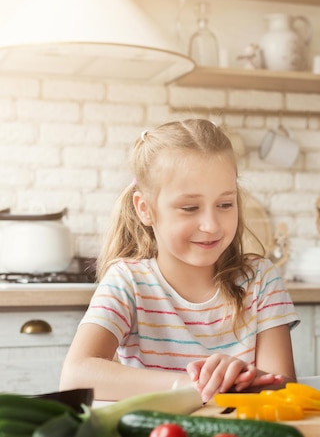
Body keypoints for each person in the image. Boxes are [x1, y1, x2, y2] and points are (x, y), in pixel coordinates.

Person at [59, 119, 299, 401]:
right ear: (145, 209)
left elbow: (284, 388)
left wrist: (248, 377)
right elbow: (75, 376)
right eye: (189, 208)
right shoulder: (129, 282)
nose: (211, 224)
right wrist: (195, 385)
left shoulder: (260, 279)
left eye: (225, 204)